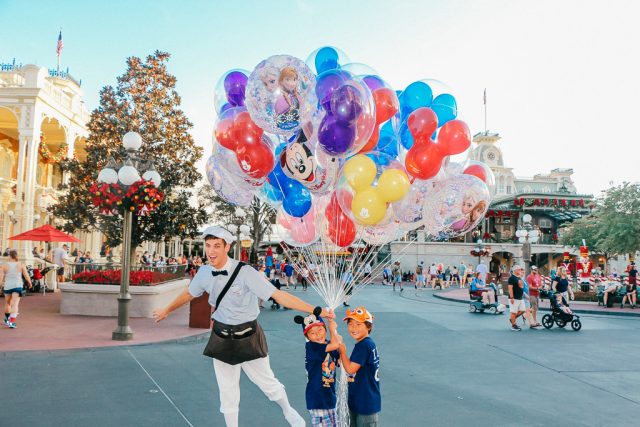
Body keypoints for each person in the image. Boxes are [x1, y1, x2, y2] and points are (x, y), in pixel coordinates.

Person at [153, 226, 332, 427]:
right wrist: (167, 310)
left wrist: (315, 310)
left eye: (217, 246)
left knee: (268, 384)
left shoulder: (245, 272)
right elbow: (189, 293)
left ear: (227, 247)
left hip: (249, 335)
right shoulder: (204, 272)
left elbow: (278, 295)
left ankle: (287, 410)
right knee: (227, 391)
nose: (211, 251)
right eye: (208, 245)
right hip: (221, 336)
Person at [294, 309, 342, 427]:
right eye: (312, 333)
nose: (318, 335)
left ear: (324, 329)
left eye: (320, 329)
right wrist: (332, 329)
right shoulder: (312, 348)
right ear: (307, 336)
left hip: (329, 398)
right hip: (318, 400)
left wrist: (332, 327)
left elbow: (338, 360)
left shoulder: (327, 344)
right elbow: (335, 345)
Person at [338, 307, 381, 427]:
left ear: (369, 327)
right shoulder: (366, 344)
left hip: (365, 404)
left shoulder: (363, 346)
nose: (353, 328)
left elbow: (350, 369)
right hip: (361, 401)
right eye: (350, 324)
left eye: (358, 324)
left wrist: (342, 352)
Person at [1, 250, 33, 328]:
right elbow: (26, 275)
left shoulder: (4, 265)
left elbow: (1, 277)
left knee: (8, 303)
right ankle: (11, 323)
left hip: (8, 286)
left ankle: (6, 320)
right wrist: (30, 282)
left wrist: (0, 284)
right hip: (17, 285)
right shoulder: (21, 264)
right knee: (15, 304)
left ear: (10, 256)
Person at [508, 265, 526, 331]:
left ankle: (512, 319)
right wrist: (512, 297)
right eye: (519, 269)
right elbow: (510, 288)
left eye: (520, 270)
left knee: (523, 310)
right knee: (513, 312)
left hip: (520, 298)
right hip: (514, 298)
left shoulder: (519, 277)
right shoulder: (511, 278)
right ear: (515, 270)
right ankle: (513, 325)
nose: (520, 271)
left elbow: (521, 287)